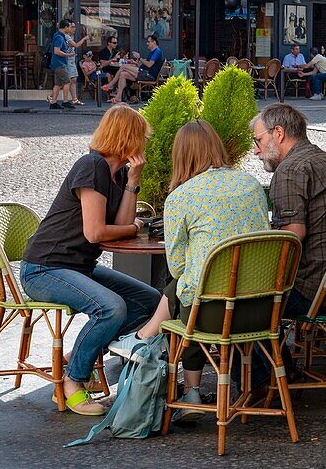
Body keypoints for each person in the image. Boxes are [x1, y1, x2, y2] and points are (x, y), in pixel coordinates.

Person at [113, 120, 272, 420]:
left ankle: (182, 381)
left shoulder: (181, 198)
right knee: (193, 288)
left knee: (188, 290)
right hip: (261, 308)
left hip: (212, 314)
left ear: (181, 155)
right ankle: (186, 386)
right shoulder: (250, 184)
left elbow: (176, 266)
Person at [19, 105, 162, 416]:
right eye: (142, 137)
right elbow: (96, 232)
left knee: (150, 302)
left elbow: (120, 228)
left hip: (78, 267)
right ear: (129, 137)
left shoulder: (118, 172)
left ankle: (80, 353)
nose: (145, 143)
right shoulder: (91, 166)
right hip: (45, 267)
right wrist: (136, 226)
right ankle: (73, 381)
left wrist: (133, 180)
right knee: (111, 307)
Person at [251, 103, 326, 319]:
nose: (256, 150)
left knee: (238, 297)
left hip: (312, 292)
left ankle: (271, 353)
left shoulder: (290, 170)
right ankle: (272, 351)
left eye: (259, 141)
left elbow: (292, 236)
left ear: (279, 133)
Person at [104, 34, 163, 104]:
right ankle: (118, 98)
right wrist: (135, 63)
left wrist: (139, 58)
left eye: (149, 42)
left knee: (123, 66)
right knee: (123, 74)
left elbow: (149, 65)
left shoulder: (157, 51)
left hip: (148, 75)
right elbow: (146, 64)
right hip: (144, 73)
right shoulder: (153, 52)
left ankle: (110, 84)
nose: (147, 43)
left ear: (154, 42)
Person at [47, 20, 77, 110]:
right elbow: (57, 51)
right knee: (67, 81)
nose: (70, 29)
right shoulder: (60, 37)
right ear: (65, 27)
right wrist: (68, 55)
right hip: (59, 63)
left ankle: (53, 102)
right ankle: (65, 101)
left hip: (57, 63)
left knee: (57, 83)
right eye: (69, 27)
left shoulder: (58, 35)